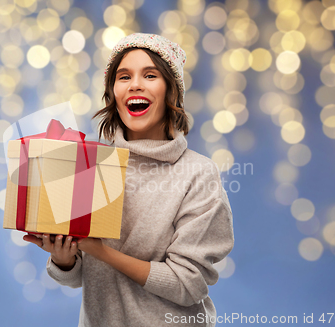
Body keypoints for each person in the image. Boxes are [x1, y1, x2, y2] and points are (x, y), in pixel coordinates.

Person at [23, 33, 234, 327]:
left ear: (172, 93)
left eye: (150, 75)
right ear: (113, 94)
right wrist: (64, 258)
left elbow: (188, 284)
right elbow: (79, 276)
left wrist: (100, 251)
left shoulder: (198, 173)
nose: (135, 84)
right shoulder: (88, 165)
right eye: (124, 77)